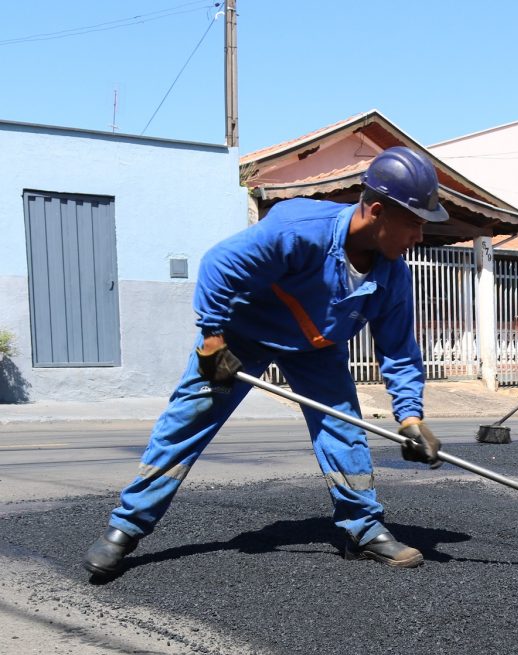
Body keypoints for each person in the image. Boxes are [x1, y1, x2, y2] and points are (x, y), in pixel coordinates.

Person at [84, 146, 448, 578]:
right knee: (188, 420)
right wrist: (213, 341)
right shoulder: (299, 228)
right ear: (376, 210)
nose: (419, 237)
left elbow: (400, 350)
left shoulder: (393, 275)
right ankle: (125, 529)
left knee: (343, 427)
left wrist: (409, 417)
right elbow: (219, 265)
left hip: (317, 349)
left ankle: (364, 531)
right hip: (243, 334)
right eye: (414, 223)